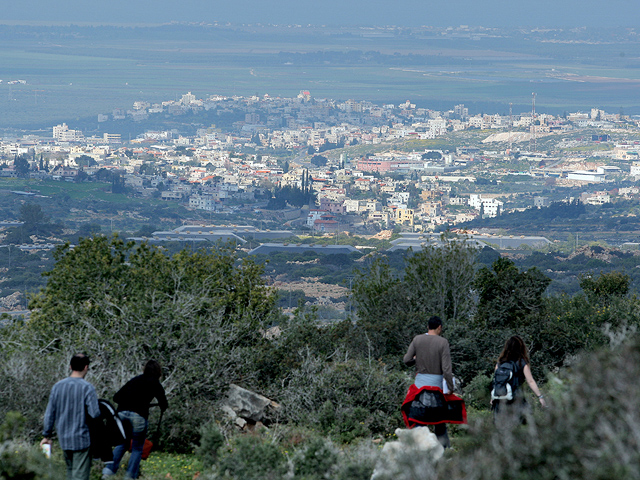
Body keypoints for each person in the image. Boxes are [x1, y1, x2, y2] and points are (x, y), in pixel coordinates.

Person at [102, 360, 168, 480]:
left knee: (122, 443)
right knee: (137, 448)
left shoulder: (135, 380)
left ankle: (108, 472)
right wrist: (146, 404)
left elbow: (116, 397)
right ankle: (130, 476)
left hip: (121, 414)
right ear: (158, 372)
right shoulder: (155, 384)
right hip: (139, 416)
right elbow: (164, 404)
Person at [41, 353, 101, 480]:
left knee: (70, 472)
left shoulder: (58, 386)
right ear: (86, 367)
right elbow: (94, 413)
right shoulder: (87, 388)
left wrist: (47, 435)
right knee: (80, 476)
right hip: (81, 438)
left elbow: (50, 413)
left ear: (70, 367)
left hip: (64, 438)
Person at [403, 315, 454, 448]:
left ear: (427, 327)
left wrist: (416, 359)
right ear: (439, 327)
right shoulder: (443, 342)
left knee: (418, 421)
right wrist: (450, 387)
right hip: (436, 388)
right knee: (440, 423)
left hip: (419, 388)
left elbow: (406, 360)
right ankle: (445, 451)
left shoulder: (417, 339)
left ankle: (416, 450)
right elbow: (447, 369)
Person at [491, 335, 547, 427]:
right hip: (517, 399)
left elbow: (496, 381)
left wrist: (492, 398)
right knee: (522, 426)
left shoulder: (500, 362)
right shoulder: (522, 362)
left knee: (501, 428)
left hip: (500, 400)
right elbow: (530, 381)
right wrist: (540, 397)